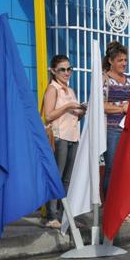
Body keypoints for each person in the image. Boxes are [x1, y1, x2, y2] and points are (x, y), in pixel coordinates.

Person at [41, 55, 85, 228]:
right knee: (56, 176)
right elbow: (49, 115)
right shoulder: (53, 89)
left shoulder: (70, 90)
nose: (67, 73)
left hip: (73, 136)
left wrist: (82, 111)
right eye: (62, 69)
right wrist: (68, 106)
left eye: (69, 69)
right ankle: (51, 216)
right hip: (59, 137)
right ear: (53, 71)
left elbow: (72, 116)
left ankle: (63, 214)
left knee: (67, 179)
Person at [102, 41, 130, 199]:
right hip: (111, 130)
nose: (124, 63)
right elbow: (100, 106)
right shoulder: (104, 80)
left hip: (128, 130)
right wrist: (122, 108)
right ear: (111, 61)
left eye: (126, 60)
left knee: (126, 170)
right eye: (120, 60)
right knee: (112, 168)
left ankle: (122, 208)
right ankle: (108, 206)